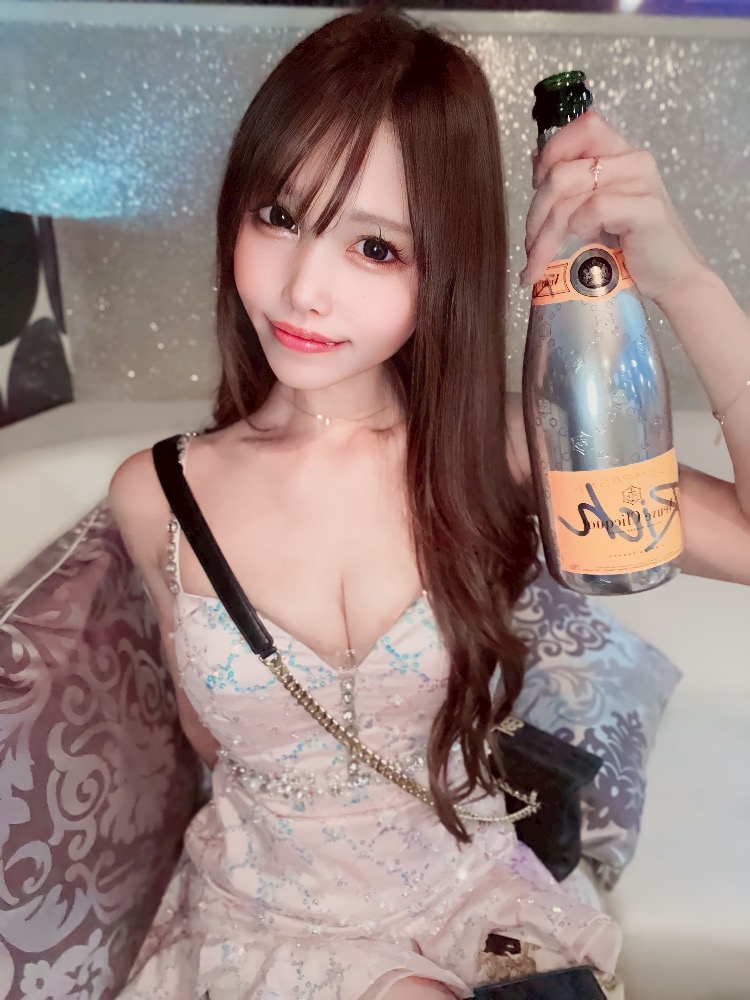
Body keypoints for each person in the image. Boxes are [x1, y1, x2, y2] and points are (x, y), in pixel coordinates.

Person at [109, 7, 750, 998]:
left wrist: (685, 281)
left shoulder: (498, 449)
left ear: (442, 264)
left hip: (469, 906)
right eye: (279, 216)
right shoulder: (158, 495)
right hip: (260, 932)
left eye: (375, 248)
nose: (304, 288)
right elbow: (205, 736)